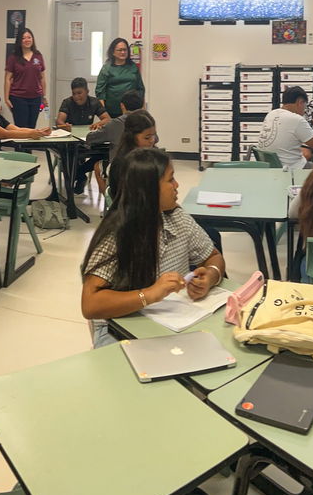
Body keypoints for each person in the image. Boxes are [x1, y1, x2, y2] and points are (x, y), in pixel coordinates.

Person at [79, 147, 225, 348]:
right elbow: (90, 305)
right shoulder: (116, 235)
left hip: (175, 321)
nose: (177, 185)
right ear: (148, 190)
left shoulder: (176, 217)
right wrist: (149, 294)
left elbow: (213, 256)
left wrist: (211, 276)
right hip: (120, 329)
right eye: (170, 180)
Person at [80, 90, 146, 193]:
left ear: (122, 105)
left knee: (97, 166)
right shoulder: (147, 122)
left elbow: (91, 138)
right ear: (142, 106)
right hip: (143, 165)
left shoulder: (116, 123)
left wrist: (100, 129)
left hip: (120, 168)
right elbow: (155, 139)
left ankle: (110, 199)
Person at [256, 86, 313, 169]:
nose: (304, 111)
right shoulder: (296, 119)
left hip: (271, 167)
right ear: (300, 102)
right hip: (292, 168)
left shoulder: (271, 114)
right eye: (305, 106)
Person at [104, 110, 158, 206]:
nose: (152, 141)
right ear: (132, 137)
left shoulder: (152, 155)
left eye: (154, 135)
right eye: (147, 137)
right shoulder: (123, 164)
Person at [4, 27, 47, 128]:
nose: (27, 40)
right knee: (22, 128)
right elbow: (7, 79)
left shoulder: (38, 56)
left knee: (32, 127)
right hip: (18, 97)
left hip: (36, 97)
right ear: (19, 40)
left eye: (29, 37)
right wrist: (6, 98)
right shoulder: (13, 57)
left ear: (33, 39)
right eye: (23, 38)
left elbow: (42, 77)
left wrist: (44, 96)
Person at [95, 37, 145, 117]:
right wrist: (104, 113)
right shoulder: (107, 68)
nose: (123, 52)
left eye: (125, 50)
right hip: (112, 111)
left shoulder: (133, 67)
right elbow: (100, 92)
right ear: (113, 52)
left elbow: (140, 89)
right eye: (120, 50)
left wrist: (142, 108)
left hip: (132, 110)